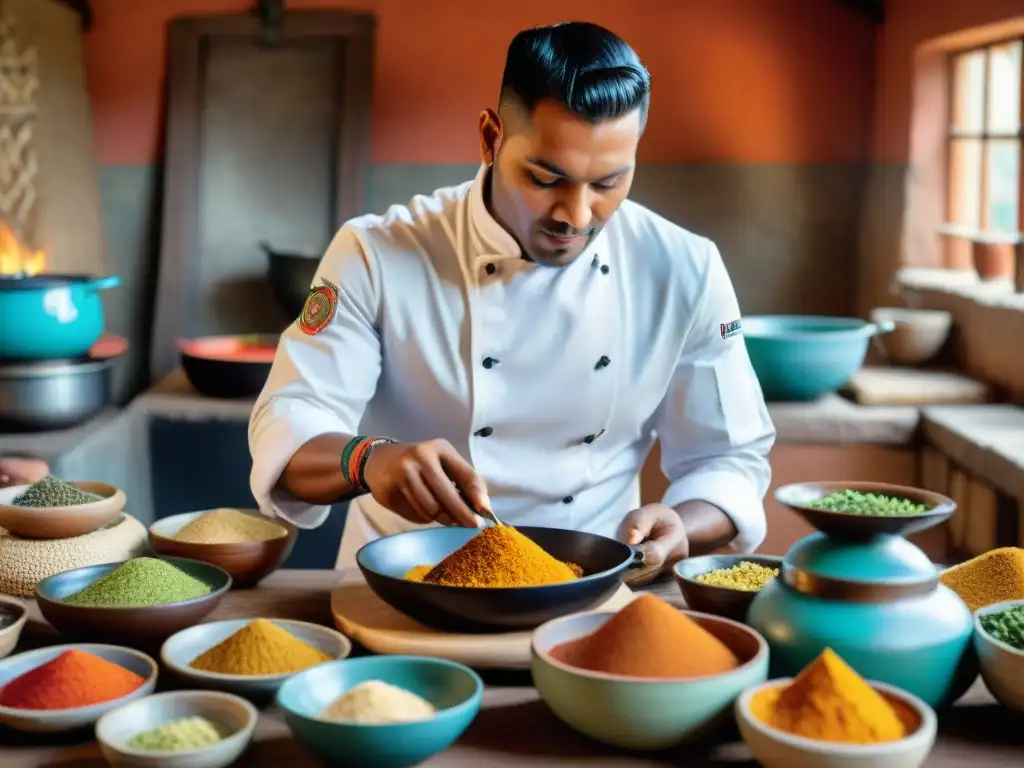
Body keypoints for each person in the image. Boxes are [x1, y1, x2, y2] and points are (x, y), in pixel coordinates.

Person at [249, 21, 776, 571]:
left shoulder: (684, 268)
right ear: (490, 137)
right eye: (547, 179)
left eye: (608, 184)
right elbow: (289, 421)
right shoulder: (376, 252)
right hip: (399, 585)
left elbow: (729, 456)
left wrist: (682, 527)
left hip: (593, 590)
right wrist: (367, 459)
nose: (576, 216)